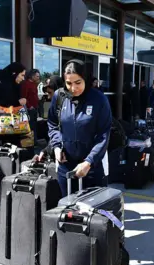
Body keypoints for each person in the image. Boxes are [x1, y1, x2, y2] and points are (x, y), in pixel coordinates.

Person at [47, 59, 112, 197]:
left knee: (93, 214)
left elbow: (103, 135)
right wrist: (57, 147)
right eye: (69, 83)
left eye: (78, 83)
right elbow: (53, 124)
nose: (73, 88)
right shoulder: (60, 96)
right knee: (67, 212)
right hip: (66, 167)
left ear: (86, 79)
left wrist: (89, 162)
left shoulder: (99, 100)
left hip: (92, 167)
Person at [0, 62, 27, 146]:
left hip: (16, 124)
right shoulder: (2, 86)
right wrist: (18, 102)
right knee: (9, 145)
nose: (23, 78)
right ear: (14, 74)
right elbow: (2, 103)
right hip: (7, 125)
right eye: (22, 75)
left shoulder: (14, 86)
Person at [21, 69, 41, 143]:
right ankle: (29, 143)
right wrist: (29, 106)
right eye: (37, 76)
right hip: (30, 109)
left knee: (34, 126)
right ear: (32, 76)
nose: (38, 78)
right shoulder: (26, 84)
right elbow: (24, 97)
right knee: (29, 126)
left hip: (35, 108)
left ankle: (34, 142)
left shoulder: (34, 84)